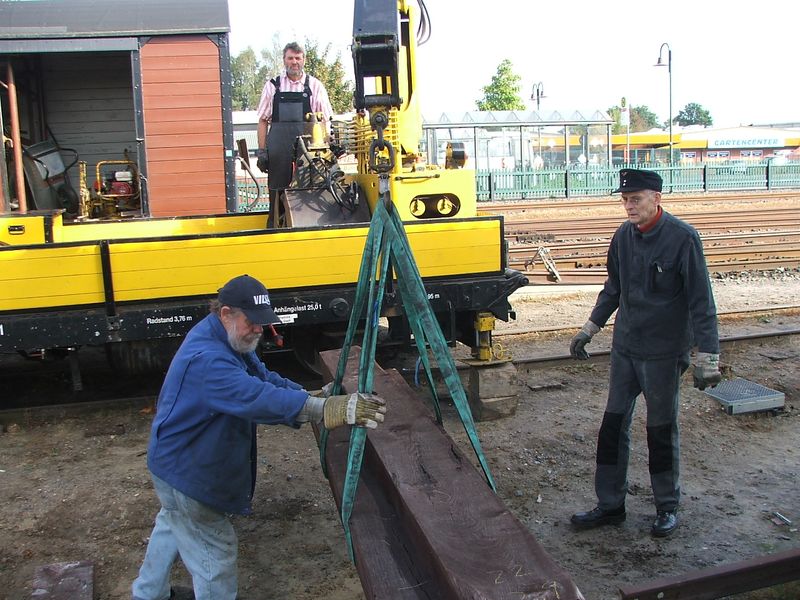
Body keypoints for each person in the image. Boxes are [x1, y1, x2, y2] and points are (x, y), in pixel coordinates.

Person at [131, 274, 386, 600]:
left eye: (262, 323)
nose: (258, 330)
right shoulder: (209, 359)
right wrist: (325, 410)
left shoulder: (227, 337)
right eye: (253, 322)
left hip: (176, 462)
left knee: (174, 523)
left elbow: (263, 378)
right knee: (214, 553)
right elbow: (255, 397)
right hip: (185, 473)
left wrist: (309, 394)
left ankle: (146, 593)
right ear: (226, 313)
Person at [568, 168, 721, 538]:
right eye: (624, 199)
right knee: (612, 426)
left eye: (635, 199)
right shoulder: (623, 236)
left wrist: (708, 356)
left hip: (663, 353)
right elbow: (613, 288)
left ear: (657, 198)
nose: (628, 206)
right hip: (626, 350)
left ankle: (666, 507)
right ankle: (610, 506)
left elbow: (702, 301)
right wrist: (590, 327)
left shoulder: (682, 239)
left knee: (660, 430)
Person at [255, 42, 333, 226]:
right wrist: (262, 151)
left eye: (298, 58)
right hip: (278, 151)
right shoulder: (273, 86)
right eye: (290, 58)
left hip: (308, 152)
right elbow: (262, 120)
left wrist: (329, 146)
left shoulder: (315, 85)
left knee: (310, 192)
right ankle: (275, 228)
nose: (294, 62)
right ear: (284, 60)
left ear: (303, 60)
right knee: (277, 194)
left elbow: (326, 120)